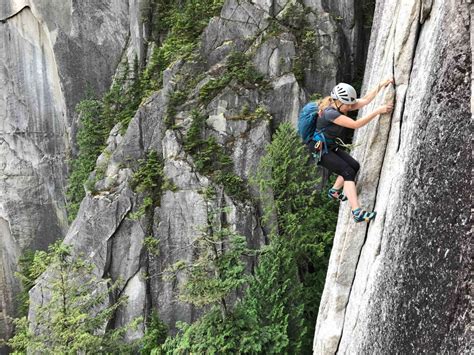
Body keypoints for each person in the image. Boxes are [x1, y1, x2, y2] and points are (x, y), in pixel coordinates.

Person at [312, 80, 394, 222]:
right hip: (321, 151)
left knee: (354, 166)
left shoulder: (340, 105)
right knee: (348, 172)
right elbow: (356, 124)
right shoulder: (330, 113)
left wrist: (382, 84)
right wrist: (378, 111)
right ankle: (357, 213)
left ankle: (334, 191)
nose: (350, 107)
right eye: (348, 104)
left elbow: (366, 100)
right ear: (338, 101)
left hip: (330, 146)